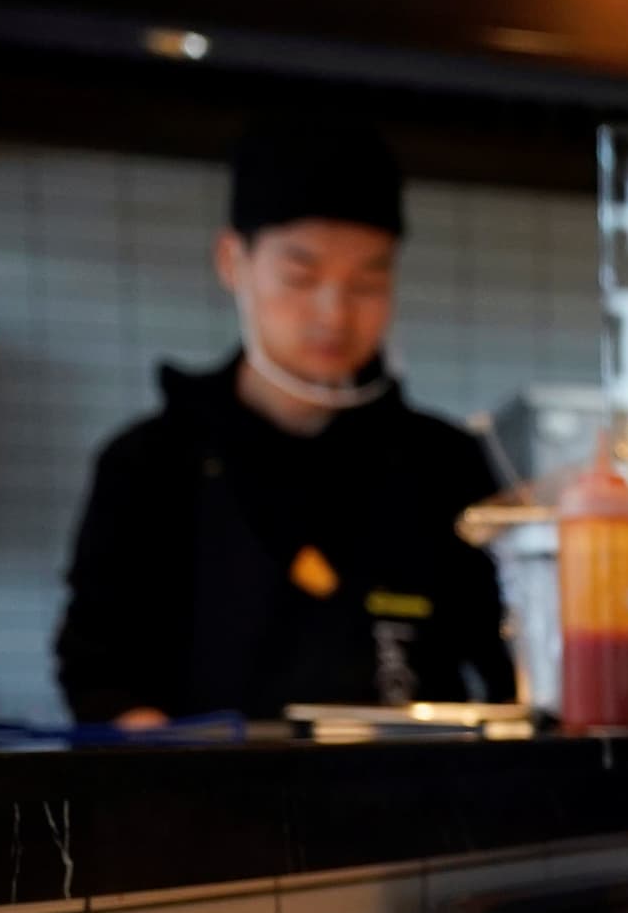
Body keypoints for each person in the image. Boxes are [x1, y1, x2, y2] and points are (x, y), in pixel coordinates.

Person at [53, 112, 512, 723]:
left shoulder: (444, 463)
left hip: (417, 779)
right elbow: (99, 669)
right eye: (301, 276)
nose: (334, 314)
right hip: (211, 782)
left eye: (367, 283)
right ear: (232, 260)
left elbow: (508, 661)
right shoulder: (151, 463)